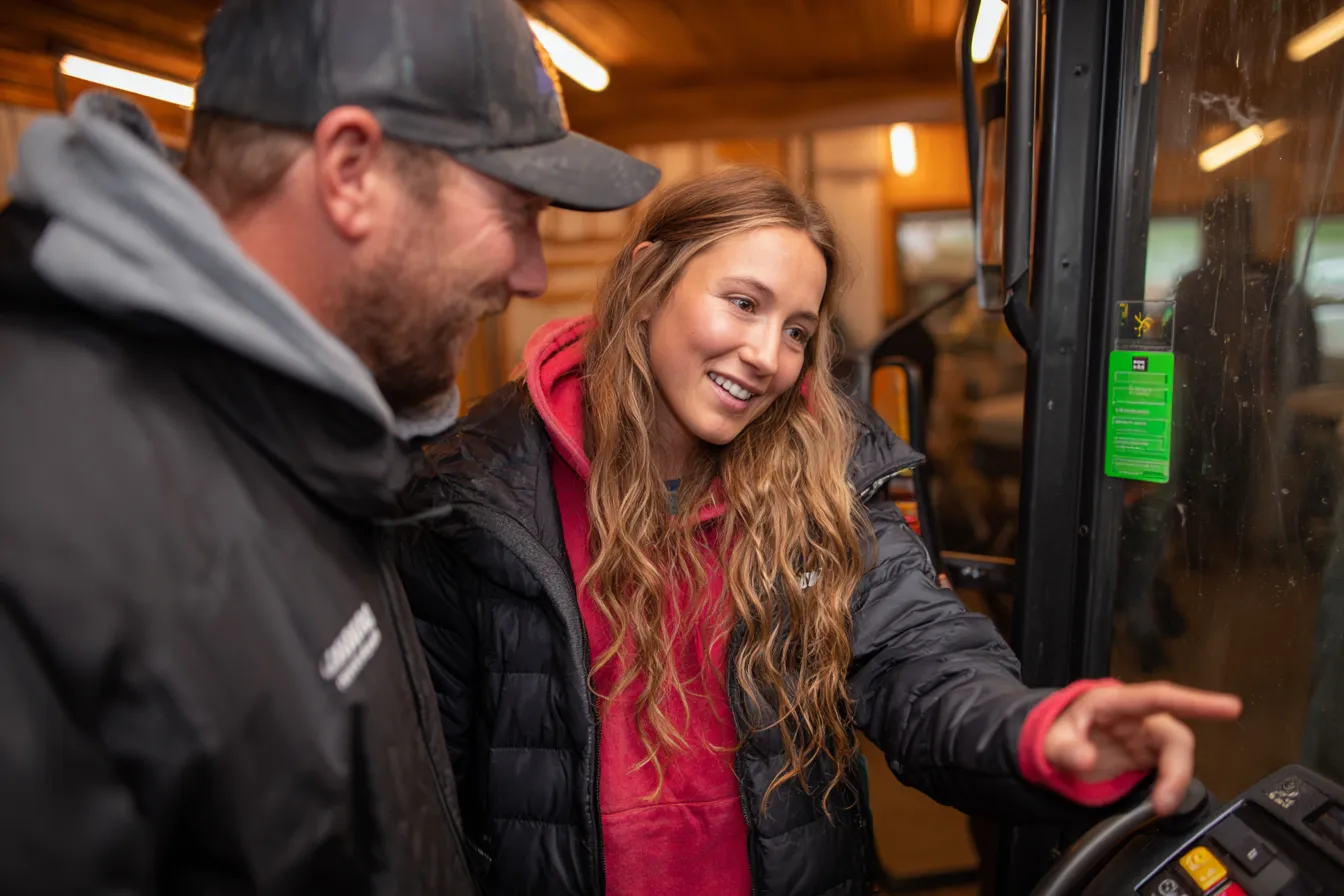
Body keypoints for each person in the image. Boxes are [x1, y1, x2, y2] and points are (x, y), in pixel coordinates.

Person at [396, 167, 1242, 896]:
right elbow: (426, 785)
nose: (768, 355)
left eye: (797, 330)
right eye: (742, 303)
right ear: (650, 280)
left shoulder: (823, 471)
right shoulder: (476, 493)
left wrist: (1035, 734)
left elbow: (917, 652)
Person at [0, 0, 658, 892]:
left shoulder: (319, 426)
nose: (532, 272)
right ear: (351, 171)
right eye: (517, 210)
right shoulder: (42, 512)